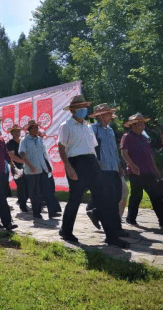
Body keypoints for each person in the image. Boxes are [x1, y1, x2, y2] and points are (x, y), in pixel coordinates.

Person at [58, 95, 128, 248]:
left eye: (84, 106)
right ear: (72, 109)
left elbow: (92, 148)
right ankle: (66, 230)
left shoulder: (86, 126)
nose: (83, 109)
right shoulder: (66, 126)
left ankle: (111, 236)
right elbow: (62, 148)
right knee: (75, 199)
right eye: (79, 107)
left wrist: (97, 164)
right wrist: (68, 167)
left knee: (104, 199)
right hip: (76, 163)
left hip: (92, 163)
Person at [87, 104, 129, 235]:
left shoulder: (110, 130)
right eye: (108, 114)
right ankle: (115, 229)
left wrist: (119, 165)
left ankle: (96, 212)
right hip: (102, 169)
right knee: (108, 200)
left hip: (114, 168)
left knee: (117, 197)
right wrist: (95, 164)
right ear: (100, 116)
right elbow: (89, 149)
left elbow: (114, 150)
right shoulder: (93, 129)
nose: (111, 116)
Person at [121, 113, 163, 228]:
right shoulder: (127, 136)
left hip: (149, 171)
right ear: (133, 125)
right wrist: (132, 165)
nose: (143, 125)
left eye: (143, 123)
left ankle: (162, 221)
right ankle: (131, 219)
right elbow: (124, 153)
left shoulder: (144, 137)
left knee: (156, 196)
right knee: (136, 196)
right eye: (140, 123)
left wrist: (155, 169)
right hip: (136, 172)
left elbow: (149, 155)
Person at [18, 120, 55, 219]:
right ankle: (36, 212)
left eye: (37, 128)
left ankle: (52, 211)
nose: (36, 130)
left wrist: (47, 166)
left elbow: (43, 153)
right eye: (34, 128)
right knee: (34, 192)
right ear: (29, 129)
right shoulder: (24, 140)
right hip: (31, 170)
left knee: (47, 190)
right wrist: (29, 165)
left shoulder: (39, 139)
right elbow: (22, 153)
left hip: (42, 168)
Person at [7, 125, 28, 212]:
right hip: (16, 168)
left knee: (27, 186)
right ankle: (23, 205)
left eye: (18, 131)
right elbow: (11, 156)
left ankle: (22, 201)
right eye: (14, 131)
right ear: (11, 133)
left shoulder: (24, 141)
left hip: (27, 167)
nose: (17, 133)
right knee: (21, 186)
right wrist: (23, 161)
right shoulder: (10, 143)